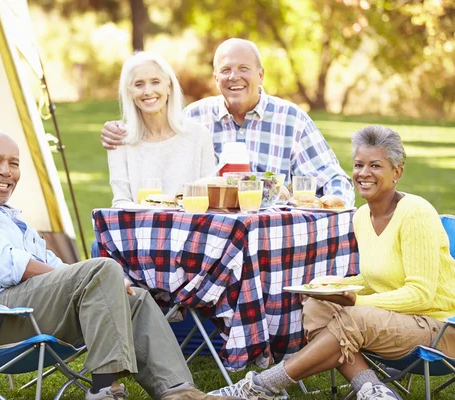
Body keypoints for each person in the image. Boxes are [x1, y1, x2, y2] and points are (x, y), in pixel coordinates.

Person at [0, 131, 241, 400]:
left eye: (13, 163)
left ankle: (179, 391)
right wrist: (93, 276)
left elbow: (51, 264)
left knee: (135, 297)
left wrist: (99, 282)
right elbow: (7, 267)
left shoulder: (10, 215)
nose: (6, 171)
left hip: (27, 310)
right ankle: (105, 388)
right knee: (103, 269)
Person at [208, 125, 455, 399]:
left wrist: (355, 301)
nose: (364, 173)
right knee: (317, 307)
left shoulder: (415, 213)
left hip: (438, 328)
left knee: (353, 317)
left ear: (397, 172)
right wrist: (333, 286)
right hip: (393, 321)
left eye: (376, 165)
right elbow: (379, 278)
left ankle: (261, 386)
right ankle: (372, 390)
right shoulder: (362, 216)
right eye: (359, 164)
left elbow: (421, 295)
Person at [101, 38, 355, 207]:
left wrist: (335, 200)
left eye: (244, 68)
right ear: (216, 78)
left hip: (269, 234)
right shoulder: (195, 118)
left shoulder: (290, 119)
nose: (234, 77)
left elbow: (332, 179)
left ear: (260, 74)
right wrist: (118, 130)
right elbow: (157, 136)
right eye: (226, 70)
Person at [108, 51, 215, 208]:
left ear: (169, 87)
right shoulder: (120, 139)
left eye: (155, 82)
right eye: (139, 84)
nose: (148, 91)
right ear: (129, 92)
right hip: (140, 229)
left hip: (190, 229)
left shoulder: (198, 136)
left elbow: (209, 197)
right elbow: (121, 202)